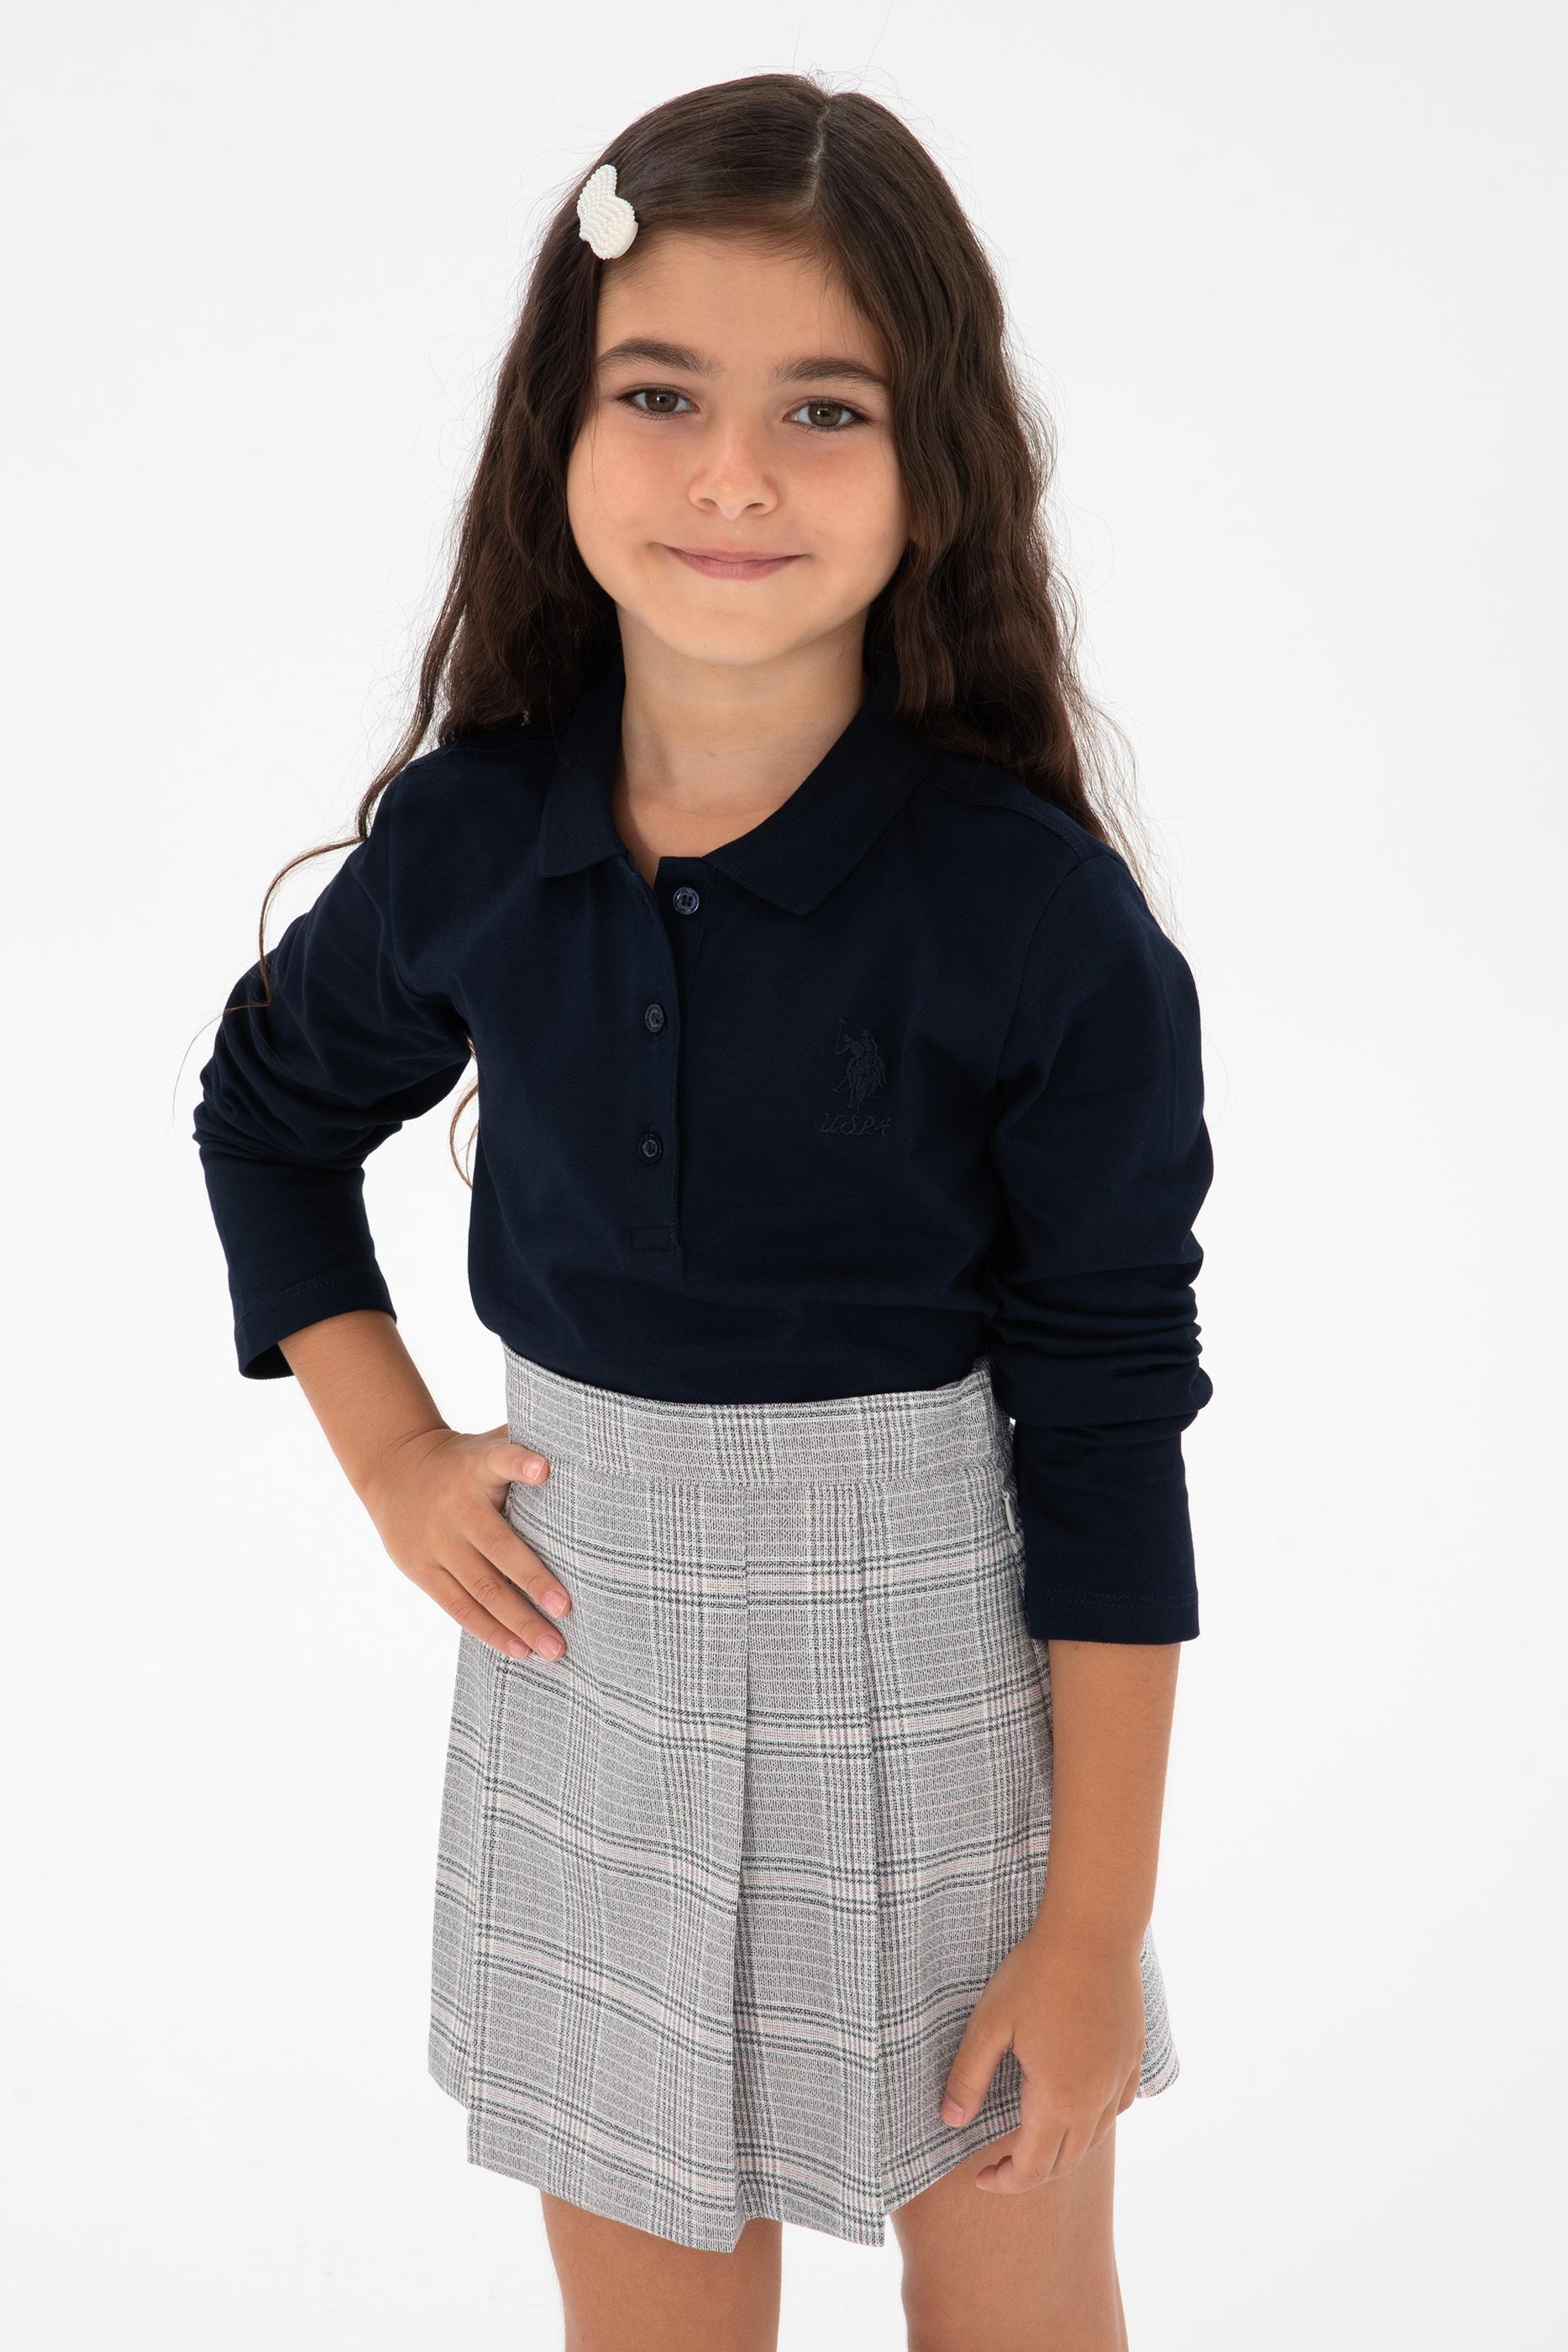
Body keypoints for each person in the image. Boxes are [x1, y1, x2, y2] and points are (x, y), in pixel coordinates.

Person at [191, 69, 1214, 2352]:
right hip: (594, 1677)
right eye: (659, 393)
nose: (733, 473)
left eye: (823, 409)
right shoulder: (472, 843)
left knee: (1018, 2295)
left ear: (936, 468)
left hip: (949, 1691)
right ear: (555, 433)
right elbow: (266, 1114)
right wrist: (389, 1448)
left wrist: (1085, 1927)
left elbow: (1108, 1417)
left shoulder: (1035, 924)